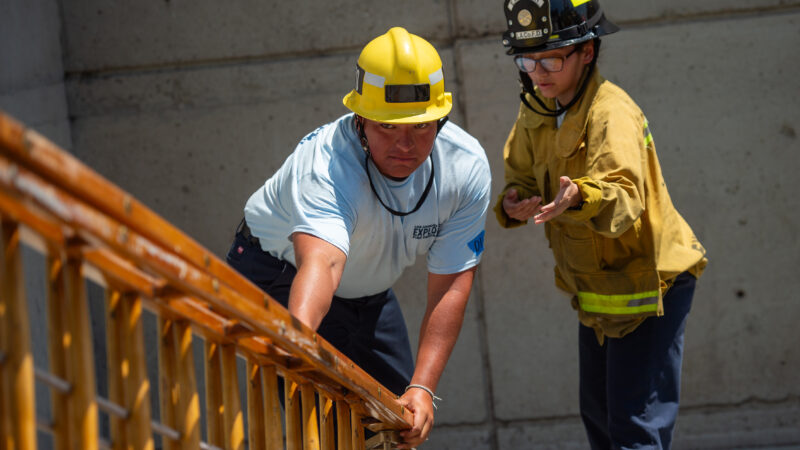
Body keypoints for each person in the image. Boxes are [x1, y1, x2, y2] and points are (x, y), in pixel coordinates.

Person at [226, 27, 490, 448]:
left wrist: (423, 388)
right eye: (387, 127)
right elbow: (323, 263)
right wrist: (297, 341)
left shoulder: (465, 167)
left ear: (441, 120)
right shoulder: (326, 166)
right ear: (361, 118)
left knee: (400, 422)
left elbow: (452, 282)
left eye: (421, 127)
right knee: (320, 429)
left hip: (367, 290)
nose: (405, 144)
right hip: (280, 275)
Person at [494, 1, 708, 448]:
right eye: (526, 59)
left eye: (551, 58)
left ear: (587, 51)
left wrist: (582, 196)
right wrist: (515, 199)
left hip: (649, 287)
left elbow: (624, 197)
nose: (537, 72)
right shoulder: (539, 107)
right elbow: (521, 171)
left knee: (634, 428)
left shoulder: (611, 113)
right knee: (601, 420)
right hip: (599, 291)